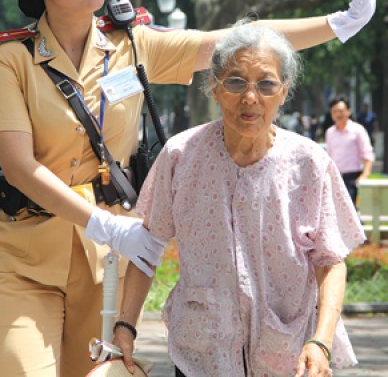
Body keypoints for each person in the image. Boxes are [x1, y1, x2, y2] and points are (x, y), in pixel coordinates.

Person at [0, 0, 376, 377]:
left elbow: (234, 42)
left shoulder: (133, 44)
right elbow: (17, 165)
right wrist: (104, 223)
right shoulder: (7, 58)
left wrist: (337, 23)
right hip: (27, 254)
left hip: (104, 263)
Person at [112, 25, 366, 376]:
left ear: (284, 92)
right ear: (214, 88)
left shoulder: (310, 163)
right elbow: (148, 244)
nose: (250, 97)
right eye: (235, 82)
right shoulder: (181, 155)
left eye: (266, 84)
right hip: (202, 352)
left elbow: (330, 261)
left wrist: (320, 341)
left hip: (287, 354)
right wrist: (125, 326)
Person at [325, 97, 375, 206]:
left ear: (348, 111)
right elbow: (329, 156)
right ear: (331, 114)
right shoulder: (330, 132)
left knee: (351, 210)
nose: (338, 114)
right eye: (335, 111)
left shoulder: (358, 130)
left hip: (353, 177)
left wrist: (365, 175)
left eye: (341, 111)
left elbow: (368, 154)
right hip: (336, 176)